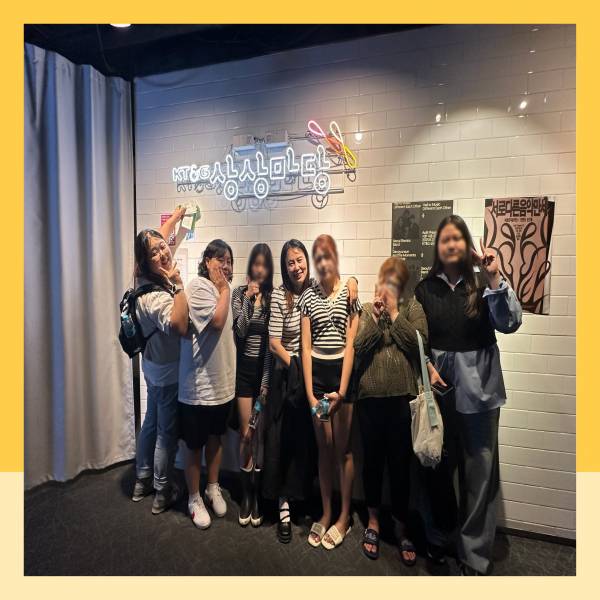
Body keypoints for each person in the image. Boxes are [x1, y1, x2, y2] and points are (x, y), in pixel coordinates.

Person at [414, 215, 522, 575]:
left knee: (479, 474)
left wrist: (495, 277)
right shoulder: (425, 289)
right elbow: (417, 340)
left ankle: (473, 553)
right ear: (437, 247)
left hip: (480, 394)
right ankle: (438, 538)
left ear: (468, 244)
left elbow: (510, 323)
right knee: (436, 469)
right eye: (445, 239)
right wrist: (427, 366)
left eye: (458, 238)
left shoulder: (482, 283)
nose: (451, 244)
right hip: (439, 394)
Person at [262, 239, 359, 544]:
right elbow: (284, 345)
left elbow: (350, 342)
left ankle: (337, 514)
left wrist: (353, 281)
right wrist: (306, 385)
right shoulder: (289, 296)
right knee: (302, 446)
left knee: (333, 449)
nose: (297, 266)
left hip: (331, 379)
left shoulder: (329, 291)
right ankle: (300, 509)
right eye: (290, 262)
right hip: (296, 377)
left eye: (300, 259)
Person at [354, 256, 427, 565]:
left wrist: (395, 313)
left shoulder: (413, 308)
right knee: (372, 462)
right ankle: (373, 521)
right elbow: (358, 347)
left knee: (400, 466)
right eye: (386, 278)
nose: (389, 285)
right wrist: (375, 316)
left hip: (402, 401)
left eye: (395, 280)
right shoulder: (367, 310)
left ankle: (401, 525)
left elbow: (420, 345)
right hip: (370, 400)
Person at [300, 234, 361, 551]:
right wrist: (311, 394)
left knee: (343, 450)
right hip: (318, 382)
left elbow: (351, 344)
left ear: (335, 257)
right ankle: (325, 513)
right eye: (318, 257)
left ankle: (344, 516)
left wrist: (343, 390)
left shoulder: (351, 294)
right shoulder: (307, 297)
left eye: (328, 256)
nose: (323, 262)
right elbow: (305, 347)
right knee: (323, 449)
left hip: (342, 380)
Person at [130, 207, 189, 515]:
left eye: (163, 247)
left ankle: (142, 480)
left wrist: (175, 218)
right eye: (155, 253)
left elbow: (158, 241)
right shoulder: (156, 296)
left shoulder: (141, 276)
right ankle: (162, 491)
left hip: (151, 366)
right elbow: (179, 325)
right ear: (145, 261)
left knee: (150, 421)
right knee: (166, 432)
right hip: (167, 372)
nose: (164, 253)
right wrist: (178, 285)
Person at [178, 239, 236, 530]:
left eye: (229, 262)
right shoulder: (199, 287)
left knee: (216, 439)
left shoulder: (226, 290)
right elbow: (216, 322)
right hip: (198, 389)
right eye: (220, 260)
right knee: (194, 446)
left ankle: (212, 487)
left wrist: (226, 289)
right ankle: (193, 497)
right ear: (207, 262)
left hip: (222, 385)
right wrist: (225, 289)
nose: (226, 266)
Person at [231, 243, 274, 527]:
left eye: (264, 265)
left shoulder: (273, 298)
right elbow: (241, 332)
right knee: (246, 434)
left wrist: (266, 384)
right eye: (256, 264)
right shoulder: (239, 294)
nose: (260, 269)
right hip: (243, 374)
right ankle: (246, 495)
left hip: (263, 373)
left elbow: (271, 346)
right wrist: (248, 298)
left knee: (259, 436)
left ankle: (257, 494)